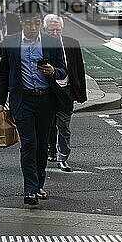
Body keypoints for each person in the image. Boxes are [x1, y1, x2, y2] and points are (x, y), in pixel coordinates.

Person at [0, 1, 68, 206]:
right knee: (29, 144)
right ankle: (30, 190)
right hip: (22, 100)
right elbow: (3, 76)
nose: (34, 27)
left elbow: (64, 70)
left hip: (46, 99)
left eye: (37, 23)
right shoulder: (10, 42)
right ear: (22, 22)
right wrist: (0, 102)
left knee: (42, 147)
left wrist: (53, 71)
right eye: (30, 24)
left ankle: (38, 185)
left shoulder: (51, 42)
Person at [43, 14, 87, 173]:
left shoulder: (72, 44)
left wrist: (81, 91)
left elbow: (79, 69)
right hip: (47, 90)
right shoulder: (40, 44)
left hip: (66, 91)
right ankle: (51, 150)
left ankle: (63, 157)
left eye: (57, 30)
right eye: (51, 31)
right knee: (49, 125)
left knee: (64, 126)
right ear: (45, 30)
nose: (55, 34)